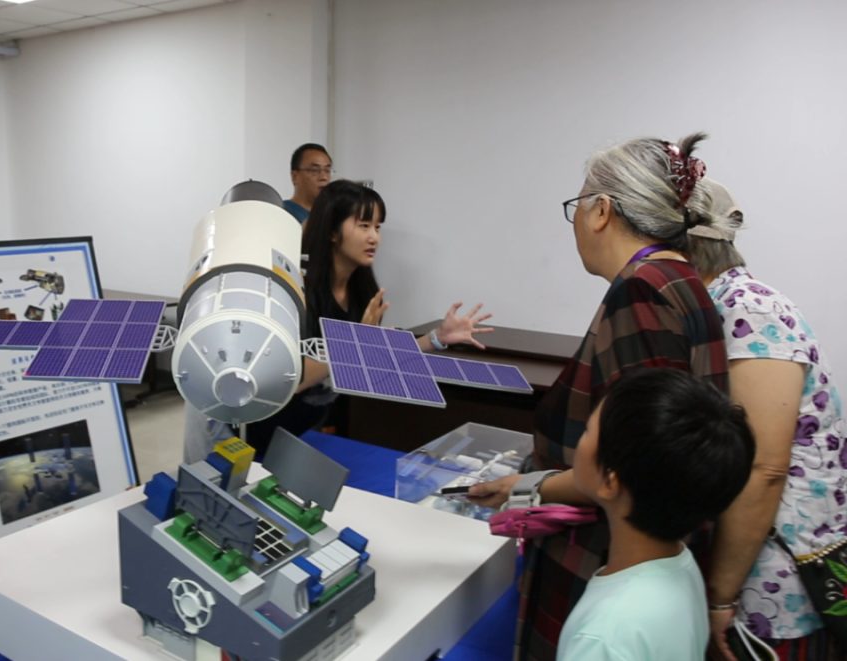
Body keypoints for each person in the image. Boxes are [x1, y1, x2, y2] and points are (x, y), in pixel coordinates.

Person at [467, 133, 729, 661]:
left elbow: (645, 460)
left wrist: (529, 486)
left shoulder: (642, 290)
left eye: (578, 206)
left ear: (602, 211)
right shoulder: (681, 277)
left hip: (610, 555)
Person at [184, 179, 492, 461]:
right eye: (363, 225)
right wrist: (353, 344)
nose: (374, 237)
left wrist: (436, 338)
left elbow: (374, 353)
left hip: (292, 430)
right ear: (332, 231)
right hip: (238, 422)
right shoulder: (297, 291)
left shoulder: (363, 292)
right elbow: (287, 380)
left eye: (378, 226)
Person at [687, 181, 845, 661]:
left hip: (780, 578)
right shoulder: (714, 305)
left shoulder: (751, 310)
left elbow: (765, 467)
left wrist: (719, 596)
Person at [557, 368, 754, 661]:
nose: (580, 441)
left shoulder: (603, 637)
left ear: (611, 482)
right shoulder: (680, 566)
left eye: (588, 431)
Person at [283, 143, 333, 224]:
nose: (324, 177)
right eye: (315, 170)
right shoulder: (283, 212)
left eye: (327, 171)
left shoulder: (333, 216)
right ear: (295, 176)